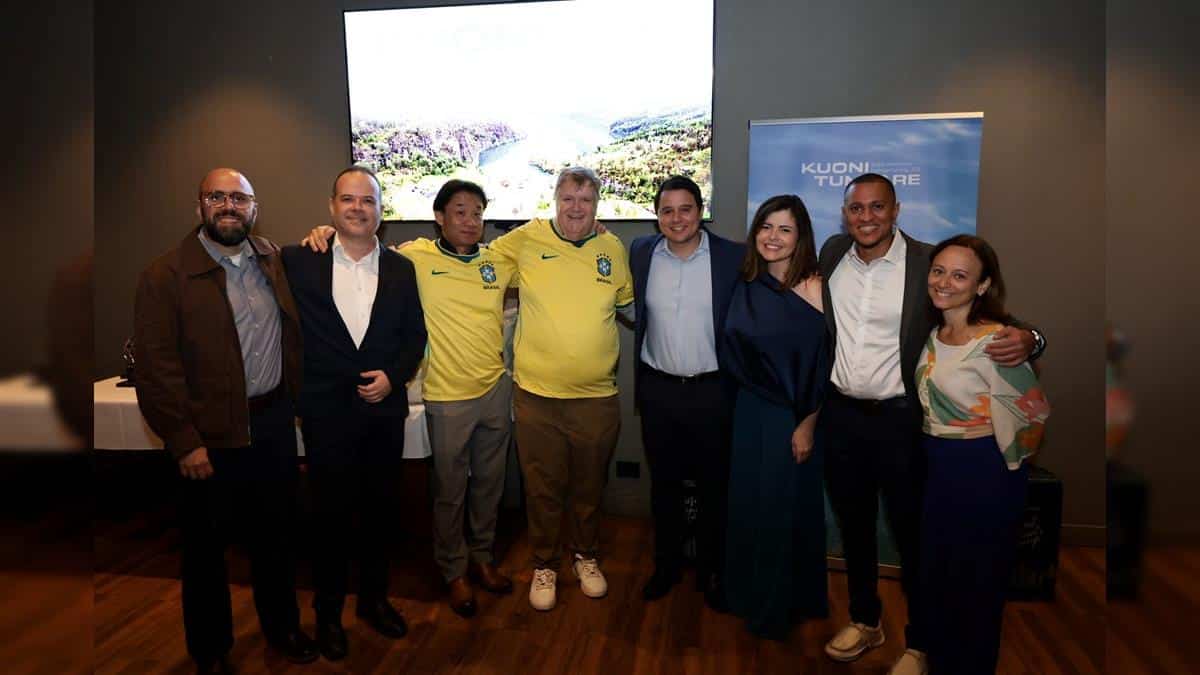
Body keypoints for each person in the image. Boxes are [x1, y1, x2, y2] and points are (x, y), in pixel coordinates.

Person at [819, 173, 1044, 675]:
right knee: (854, 527)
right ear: (845, 213)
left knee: (913, 536)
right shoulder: (832, 255)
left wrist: (1034, 338)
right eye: (856, 208)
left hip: (902, 422)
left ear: (896, 210)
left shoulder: (928, 263)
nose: (866, 217)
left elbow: (991, 320)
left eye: (877, 207)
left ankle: (920, 642)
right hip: (842, 416)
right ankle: (865, 619)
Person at [301, 178, 517, 619]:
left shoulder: (498, 261)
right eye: (459, 211)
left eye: (477, 213)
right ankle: (453, 569)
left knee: (490, 484)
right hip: (448, 395)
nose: (470, 221)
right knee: (450, 491)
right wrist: (323, 232)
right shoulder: (414, 257)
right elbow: (360, 248)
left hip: (496, 389)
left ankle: (482, 556)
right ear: (439, 217)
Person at [133, 168, 318, 671]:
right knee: (205, 552)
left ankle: (282, 628)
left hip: (273, 426)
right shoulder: (165, 275)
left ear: (255, 208)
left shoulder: (272, 260)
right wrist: (183, 440)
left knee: (276, 539)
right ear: (200, 207)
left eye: (239, 197)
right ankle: (211, 651)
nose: (229, 205)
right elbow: (155, 367)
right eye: (217, 196)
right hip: (208, 437)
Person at [281, 166, 426, 662]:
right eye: (348, 199)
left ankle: (373, 601)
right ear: (332, 207)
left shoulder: (402, 269)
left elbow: (415, 336)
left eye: (368, 200)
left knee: (380, 513)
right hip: (326, 414)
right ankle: (327, 615)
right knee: (329, 519)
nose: (358, 208)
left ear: (381, 210)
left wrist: (394, 376)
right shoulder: (301, 260)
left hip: (383, 414)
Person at [487, 167, 634, 611]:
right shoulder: (527, 239)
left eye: (585, 200)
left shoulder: (612, 247)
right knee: (542, 488)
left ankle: (585, 557)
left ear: (597, 206)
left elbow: (626, 305)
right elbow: (474, 262)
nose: (576, 208)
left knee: (589, 487)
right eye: (568, 198)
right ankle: (545, 564)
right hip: (537, 397)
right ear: (554, 200)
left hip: (596, 398)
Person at [916, 235, 1049, 674]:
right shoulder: (935, 334)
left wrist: (1002, 468)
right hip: (938, 468)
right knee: (942, 577)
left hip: (983, 471)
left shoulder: (998, 342)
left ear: (982, 285)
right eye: (939, 271)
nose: (944, 282)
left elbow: (1033, 413)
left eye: (960, 275)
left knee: (978, 584)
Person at [629, 175, 744, 608]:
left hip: (713, 392)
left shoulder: (732, 256)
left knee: (715, 487)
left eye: (685, 209)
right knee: (665, 485)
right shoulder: (641, 253)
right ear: (656, 216)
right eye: (667, 210)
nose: (677, 218)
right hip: (659, 391)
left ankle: (713, 571)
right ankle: (667, 565)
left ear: (700, 211)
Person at [721, 195, 831, 638]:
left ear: (800, 236)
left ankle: (779, 607)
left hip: (794, 416)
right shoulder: (746, 281)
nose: (773, 237)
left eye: (785, 229)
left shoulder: (818, 288)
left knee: (782, 512)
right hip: (749, 411)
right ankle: (745, 595)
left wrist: (808, 423)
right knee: (749, 506)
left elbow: (827, 365)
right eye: (766, 227)